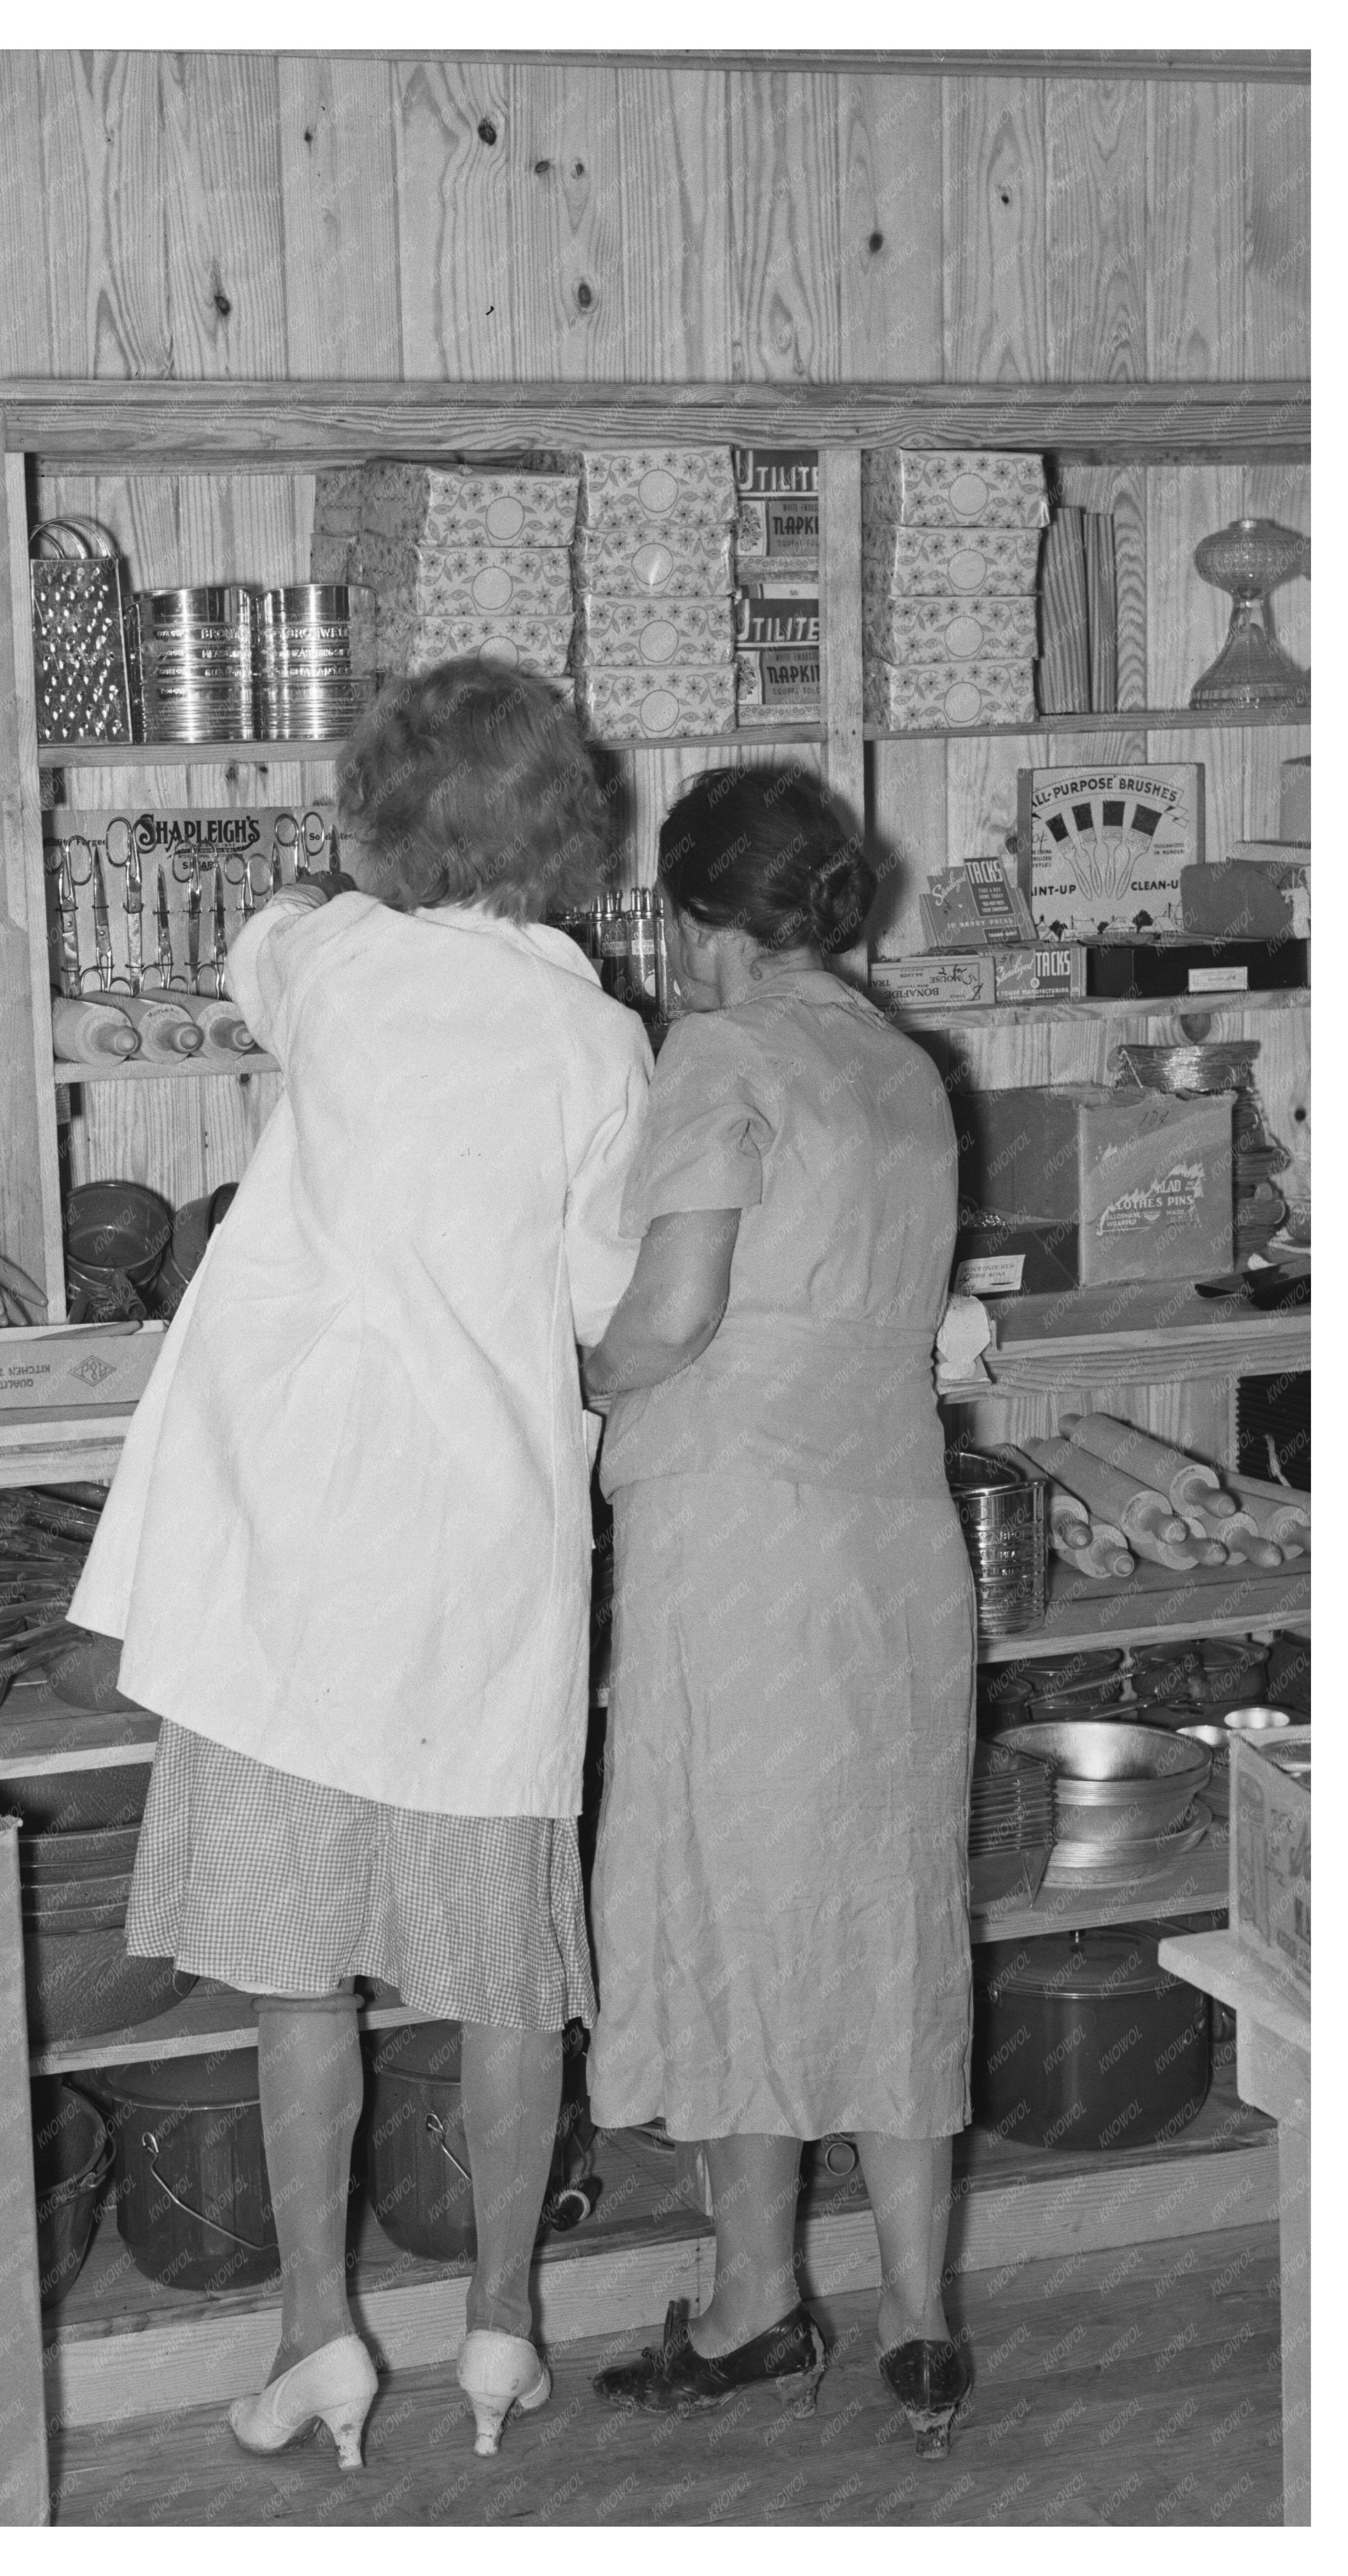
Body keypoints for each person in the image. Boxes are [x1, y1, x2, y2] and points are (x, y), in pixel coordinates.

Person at [70, 659, 651, 2471]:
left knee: (296, 1981)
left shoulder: (328, 968)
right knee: (502, 1978)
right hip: (485, 1561)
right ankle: (501, 2327)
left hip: (293, 1561)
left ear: (381, 822)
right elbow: (599, 1308)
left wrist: (333, 893)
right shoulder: (600, 1040)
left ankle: (316, 2332)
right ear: (569, 838)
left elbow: (268, 938)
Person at [582, 764, 977, 2458]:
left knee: (732, 1892)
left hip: (738, 1524)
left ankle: (753, 2306)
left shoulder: (721, 1053)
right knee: (891, 1898)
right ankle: (921, 2319)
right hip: (893, 1530)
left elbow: (670, 1315)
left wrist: (560, 1375)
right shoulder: (903, 1066)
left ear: (690, 923)